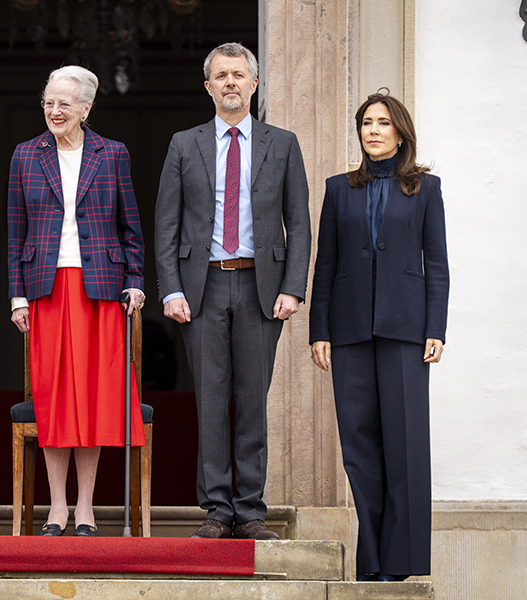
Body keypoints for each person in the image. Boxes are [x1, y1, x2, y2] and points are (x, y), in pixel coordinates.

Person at [154, 42, 310, 540]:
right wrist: (170, 289)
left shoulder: (281, 143)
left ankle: (251, 510)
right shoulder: (184, 143)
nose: (230, 83)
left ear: (254, 83)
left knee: (252, 399)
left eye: (239, 75)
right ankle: (218, 510)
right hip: (202, 287)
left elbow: (300, 224)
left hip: (262, 287)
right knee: (211, 397)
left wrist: (293, 287)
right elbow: (167, 225)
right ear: (208, 86)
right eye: (221, 75)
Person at [309, 90, 449, 580]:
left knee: (405, 445)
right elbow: (325, 264)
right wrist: (319, 330)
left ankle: (401, 561)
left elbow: (438, 264)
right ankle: (372, 559)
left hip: (407, 331)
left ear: (400, 132)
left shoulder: (425, 189)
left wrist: (437, 327)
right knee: (359, 449)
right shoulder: (339, 187)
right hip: (348, 332)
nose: (372, 130)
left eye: (382, 123)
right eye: (366, 122)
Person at [7, 65, 146, 537]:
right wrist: (16, 295)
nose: (55, 110)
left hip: (101, 288)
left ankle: (85, 507)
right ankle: (57, 506)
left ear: (87, 107)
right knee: (53, 398)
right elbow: (15, 231)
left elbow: (131, 226)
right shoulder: (25, 155)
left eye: (65, 102)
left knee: (93, 400)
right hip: (45, 289)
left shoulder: (113, 154)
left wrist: (136, 279)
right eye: (48, 101)